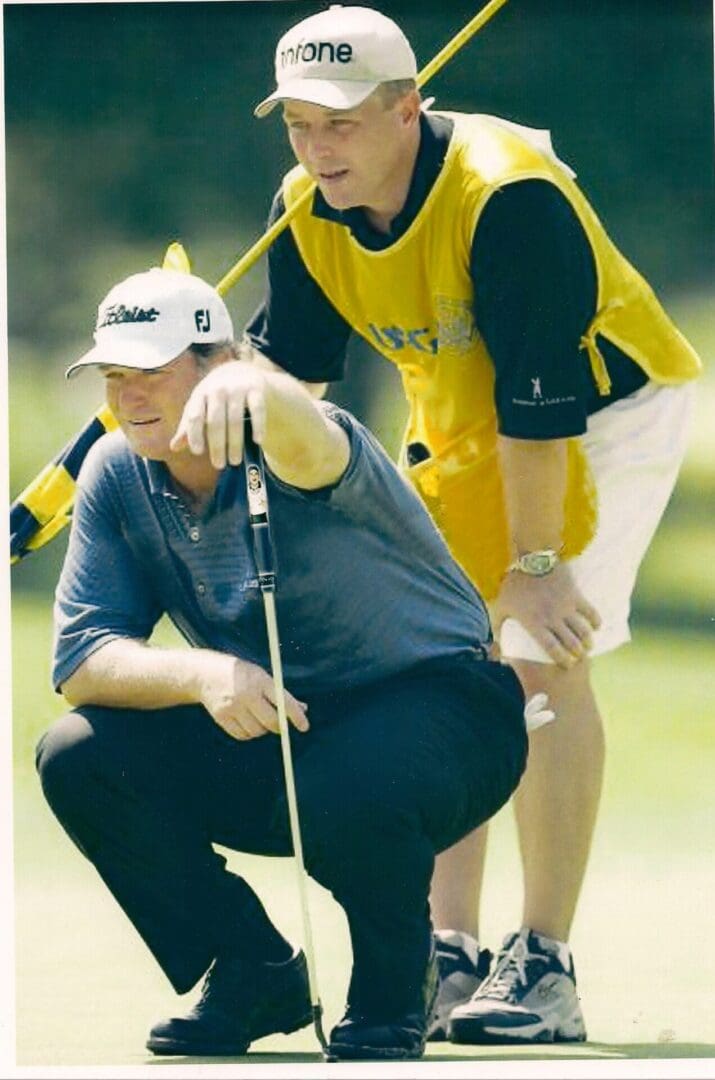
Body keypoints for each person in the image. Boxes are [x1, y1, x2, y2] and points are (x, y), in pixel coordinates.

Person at [246, 4, 702, 1044]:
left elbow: (539, 409)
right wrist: (213, 399)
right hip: (459, 414)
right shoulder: (306, 208)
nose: (319, 150)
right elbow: (301, 377)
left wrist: (534, 568)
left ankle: (543, 965)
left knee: (534, 652)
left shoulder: (509, 199)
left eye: (343, 124)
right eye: (299, 127)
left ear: (409, 108)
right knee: (440, 663)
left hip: (604, 406)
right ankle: (449, 954)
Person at [35, 266, 531, 1062]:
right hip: (290, 721)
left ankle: (390, 991)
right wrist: (199, 676)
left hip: (449, 712)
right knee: (79, 754)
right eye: (115, 376)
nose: (129, 397)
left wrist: (259, 391)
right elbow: (83, 660)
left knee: (349, 781)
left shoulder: (304, 434)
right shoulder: (117, 472)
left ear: (215, 362)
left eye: (152, 372)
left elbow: (311, 441)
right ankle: (253, 971)